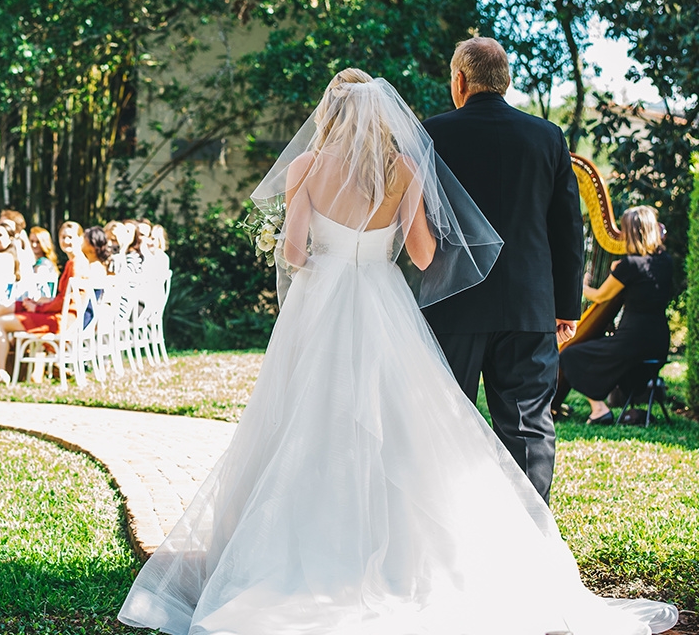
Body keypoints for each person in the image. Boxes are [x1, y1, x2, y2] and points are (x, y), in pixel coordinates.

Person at [118, 69, 677, 635]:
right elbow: (427, 256)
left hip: (322, 303)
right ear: (386, 118)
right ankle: (405, 552)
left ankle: (306, 545)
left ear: (330, 114)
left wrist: (320, 257)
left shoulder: (306, 168)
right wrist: (380, 245)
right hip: (383, 299)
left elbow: (291, 250)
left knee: (306, 419)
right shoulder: (404, 168)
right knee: (401, 426)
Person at [421, 37, 584, 503]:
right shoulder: (547, 136)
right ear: (505, 82)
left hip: (453, 302)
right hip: (528, 306)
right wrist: (566, 306)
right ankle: (532, 537)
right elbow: (567, 229)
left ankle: (446, 528)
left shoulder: (432, 133)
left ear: (460, 80)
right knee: (529, 426)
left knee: (445, 420)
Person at [555, 206, 675, 424]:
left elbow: (600, 295)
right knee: (597, 346)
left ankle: (599, 410)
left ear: (633, 233)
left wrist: (579, 285)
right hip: (658, 341)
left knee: (570, 355)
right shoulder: (665, 261)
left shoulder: (629, 265)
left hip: (633, 341)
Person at [0, 222, 97, 383]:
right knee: (5, 307)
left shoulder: (77, 264)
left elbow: (68, 301)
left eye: (70, 237)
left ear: (80, 239)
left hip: (62, 320)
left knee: (1, 323)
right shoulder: (75, 262)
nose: (66, 241)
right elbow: (64, 298)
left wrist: (39, 307)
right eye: (63, 237)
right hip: (59, 313)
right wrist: (42, 302)